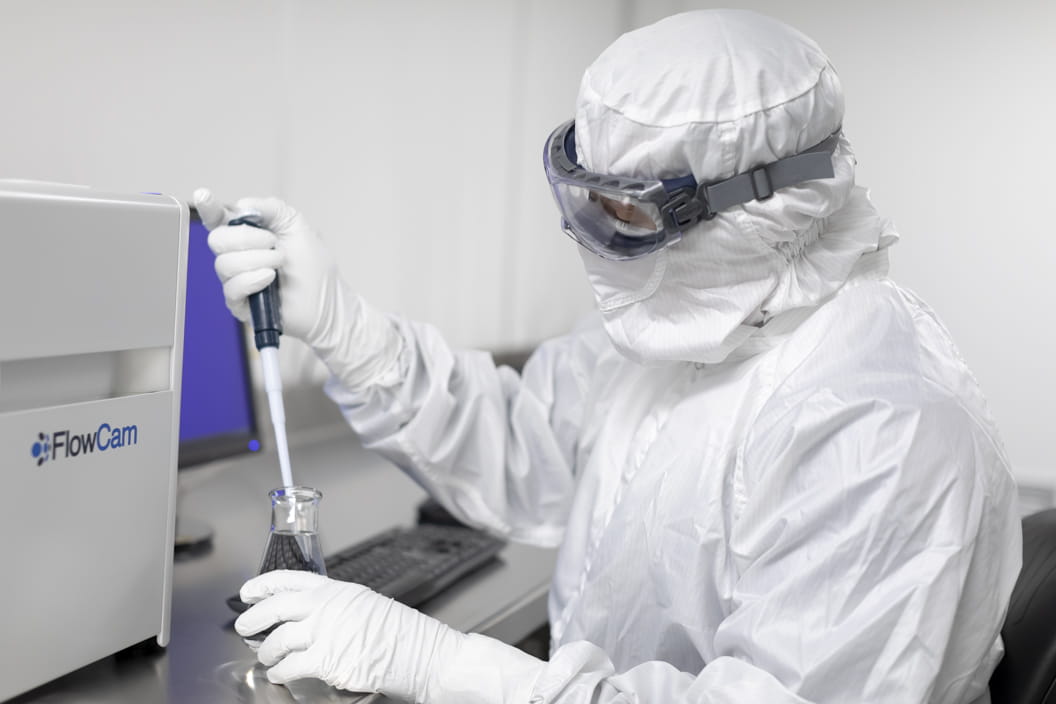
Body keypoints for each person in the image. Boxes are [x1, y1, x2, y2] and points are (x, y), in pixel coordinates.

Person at [195, 9, 1021, 704]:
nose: (591, 238)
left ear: (754, 209)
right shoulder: (684, 324)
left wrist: (443, 665)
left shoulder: (883, 428)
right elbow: (527, 446)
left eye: (622, 208)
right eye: (583, 195)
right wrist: (346, 328)